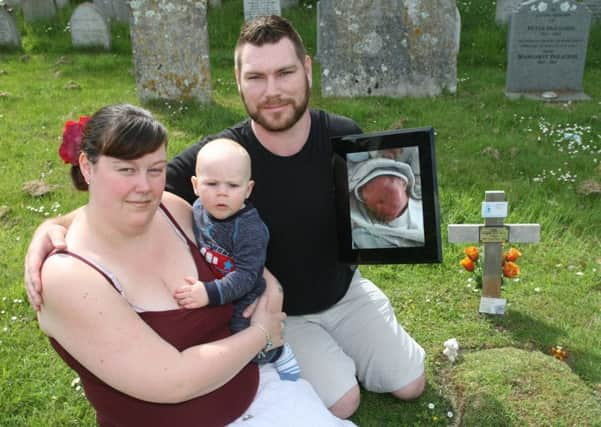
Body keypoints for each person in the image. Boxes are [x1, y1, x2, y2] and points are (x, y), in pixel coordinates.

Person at [25, 16, 426, 419]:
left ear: (306, 69)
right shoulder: (222, 159)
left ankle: (368, 317)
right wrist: (53, 225)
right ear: (237, 80)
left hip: (345, 292)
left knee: (410, 384)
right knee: (343, 402)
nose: (272, 91)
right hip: (277, 308)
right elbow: (135, 194)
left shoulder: (342, 134)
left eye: (284, 72)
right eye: (256, 77)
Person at [35, 104, 355, 426]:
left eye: (156, 169)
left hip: (260, 389)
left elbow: (254, 270)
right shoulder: (69, 277)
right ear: (87, 168)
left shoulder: (172, 209)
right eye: (126, 170)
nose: (145, 187)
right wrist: (261, 334)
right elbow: (174, 381)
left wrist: (271, 294)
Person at [174, 137, 300, 381]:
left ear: (248, 189)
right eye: (211, 183)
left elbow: (247, 275)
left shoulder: (249, 229)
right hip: (216, 279)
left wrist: (209, 293)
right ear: (195, 185)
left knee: (242, 335)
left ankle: (277, 352)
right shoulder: (199, 208)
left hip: (246, 293)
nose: (222, 192)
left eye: (233, 185)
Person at [348, 157, 425, 248]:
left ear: (404, 183)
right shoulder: (364, 227)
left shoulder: (421, 207)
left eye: (383, 198)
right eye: (370, 206)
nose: (377, 208)